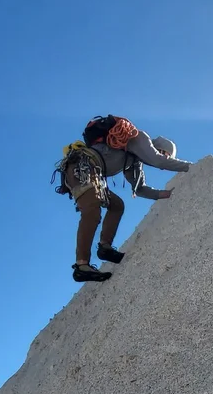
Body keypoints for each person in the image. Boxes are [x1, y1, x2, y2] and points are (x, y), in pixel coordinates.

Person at [55, 115, 192, 282]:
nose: (165, 159)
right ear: (158, 147)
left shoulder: (132, 160)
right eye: (165, 154)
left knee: (117, 205)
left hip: (93, 175)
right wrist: (193, 167)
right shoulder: (138, 137)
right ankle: (82, 265)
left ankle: (105, 248)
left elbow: (140, 189)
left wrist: (168, 194)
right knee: (92, 211)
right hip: (82, 166)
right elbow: (158, 162)